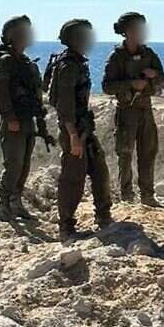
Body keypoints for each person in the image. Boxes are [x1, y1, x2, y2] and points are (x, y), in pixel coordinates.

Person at [46, 18, 113, 241]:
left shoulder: (76, 62)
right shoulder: (68, 66)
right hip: (72, 130)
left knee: (99, 169)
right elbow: (64, 106)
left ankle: (104, 216)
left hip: (83, 128)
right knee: (73, 177)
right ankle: (66, 227)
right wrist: (73, 136)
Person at [0, 15, 54, 222]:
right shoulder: (6, 61)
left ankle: (16, 204)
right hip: (14, 121)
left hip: (27, 120)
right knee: (13, 164)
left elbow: (36, 94)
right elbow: (1, 92)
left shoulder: (25, 62)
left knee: (24, 164)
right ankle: (3, 205)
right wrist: (9, 118)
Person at [101, 12, 164, 207]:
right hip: (126, 110)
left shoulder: (149, 54)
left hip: (145, 109)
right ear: (127, 32)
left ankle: (147, 195)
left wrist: (153, 75)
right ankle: (126, 195)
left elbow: (162, 78)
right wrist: (130, 84)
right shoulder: (116, 57)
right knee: (125, 152)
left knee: (148, 152)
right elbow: (106, 86)